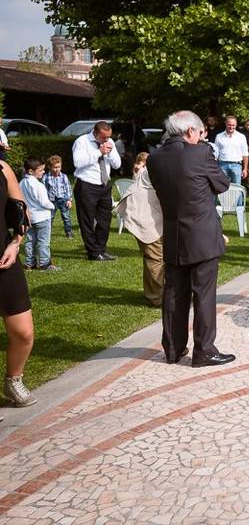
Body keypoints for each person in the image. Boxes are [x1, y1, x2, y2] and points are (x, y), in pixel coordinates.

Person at [147, 111, 235, 367]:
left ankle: (173, 349)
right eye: (198, 133)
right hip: (202, 234)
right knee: (204, 294)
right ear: (189, 132)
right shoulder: (201, 153)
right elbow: (222, 184)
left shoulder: (155, 158)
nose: (200, 137)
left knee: (174, 292)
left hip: (174, 233)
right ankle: (204, 351)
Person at [0, 158, 37, 407]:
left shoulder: (2, 168)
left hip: (4, 258)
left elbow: (22, 212)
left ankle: (13, 380)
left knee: (24, 332)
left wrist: (16, 243)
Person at [116, 160, 164, 307]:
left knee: (156, 255)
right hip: (143, 210)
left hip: (150, 207)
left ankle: (156, 293)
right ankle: (156, 299)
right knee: (155, 256)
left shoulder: (169, 156)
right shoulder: (171, 160)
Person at [72, 121, 121, 261]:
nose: (107, 139)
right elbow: (78, 162)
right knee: (86, 220)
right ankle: (93, 252)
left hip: (104, 185)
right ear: (95, 132)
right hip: (87, 185)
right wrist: (99, 152)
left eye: (108, 137)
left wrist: (110, 153)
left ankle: (101, 249)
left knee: (105, 220)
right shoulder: (82, 142)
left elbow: (117, 164)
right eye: (104, 137)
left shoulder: (109, 141)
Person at [19, 158, 59, 271]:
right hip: (42, 217)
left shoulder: (22, 183)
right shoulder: (38, 185)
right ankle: (45, 263)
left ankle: (29, 263)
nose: (43, 172)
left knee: (30, 241)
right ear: (31, 171)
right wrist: (52, 205)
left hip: (29, 217)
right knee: (43, 241)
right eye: (41, 170)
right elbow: (44, 202)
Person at [43, 155, 73, 238]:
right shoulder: (46, 177)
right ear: (49, 167)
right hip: (51, 201)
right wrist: (45, 200)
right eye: (55, 167)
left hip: (63, 199)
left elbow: (68, 188)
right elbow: (43, 189)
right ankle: (47, 233)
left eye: (59, 167)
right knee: (50, 218)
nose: (57, 169)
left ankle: (69, 232)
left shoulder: (64, 177)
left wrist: (69, 200)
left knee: (66, 217)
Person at [214, 116, 249, 185]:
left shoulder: (241, 137)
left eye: (233, 125)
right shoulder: (219, 136)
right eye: (229, 125)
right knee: (222, 187)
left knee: (237, 188)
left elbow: (245, 153)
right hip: (222, 165)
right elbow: (216, 153)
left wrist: (245, 169)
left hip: (237, 165)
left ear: (236, 125)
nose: (231, 127)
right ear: (226, 124)